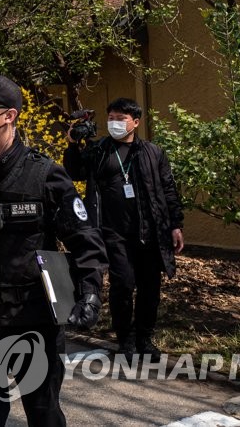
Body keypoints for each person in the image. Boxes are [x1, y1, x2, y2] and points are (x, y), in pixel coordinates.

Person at [0, 73, 107, 427]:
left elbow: (84, 238)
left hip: (34, 319)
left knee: (43, 415)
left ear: (9, 115)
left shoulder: (45, 175)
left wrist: (91, 292)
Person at [63, 97, 184, 360]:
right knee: (123, 285)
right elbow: (74, 172)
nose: (115, 123)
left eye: (121, 119)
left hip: (150, 232)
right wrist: (73, 143)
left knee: (150, 288)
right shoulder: (99, 151)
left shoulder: (153, 152)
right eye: (111, 118)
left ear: (136, 122)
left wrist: (175, 225)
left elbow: (168, 190)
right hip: (113, 232)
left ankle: (145, 338)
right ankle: (125, 340)